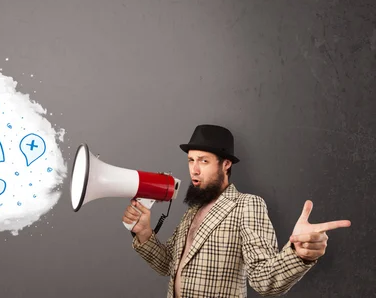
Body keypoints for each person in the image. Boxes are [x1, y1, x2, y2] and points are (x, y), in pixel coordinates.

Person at [122, 124, 351, 298]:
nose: (194, 169)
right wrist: (144, 233)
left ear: (226, 164)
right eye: (191, 160)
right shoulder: (193, 210)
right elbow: (168, 265)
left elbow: (264, 279)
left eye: (203, 161)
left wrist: (298, 254)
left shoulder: (246, 205)